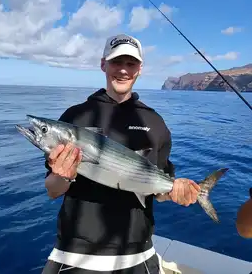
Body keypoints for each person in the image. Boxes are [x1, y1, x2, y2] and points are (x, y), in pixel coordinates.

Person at [42, 33, 200, 274]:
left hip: (139, 256)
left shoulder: (155, 123)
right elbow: (52, 190)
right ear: (103, 64)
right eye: (117, 62)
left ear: (140, 69)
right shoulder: (74, 117)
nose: (123, 70)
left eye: (131, 63)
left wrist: (177, 191)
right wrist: (63, 176)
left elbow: (158, 192)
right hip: (75, 255)